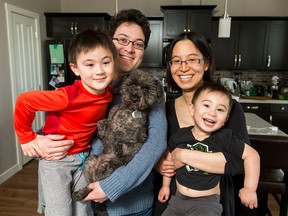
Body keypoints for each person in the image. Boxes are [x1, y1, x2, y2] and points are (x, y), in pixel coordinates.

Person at [27, 9, 168, 216]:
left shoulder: (147, 87)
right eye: (122, 40)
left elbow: (155, 144)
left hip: (129, 206)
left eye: (138, 44)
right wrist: (36, 140)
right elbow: (68, 123)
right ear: (110, 42)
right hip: (85, 200)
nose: (130, 48)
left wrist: (111, 187)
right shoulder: (90, 82)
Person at [13, 28, 117, 216]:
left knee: (83, 210)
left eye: (106, 62)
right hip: (57, 161)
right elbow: (24, 101)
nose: (100, 71)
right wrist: (27, 138)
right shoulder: (66, 97)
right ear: (75, 68)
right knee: (59, 212)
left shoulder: (108, 94)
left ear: (113, 62)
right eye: (90, 65)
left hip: (84, 158)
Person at [153, 31, 253, 216]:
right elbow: (156, 152)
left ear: (206, 64)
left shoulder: (230, 109)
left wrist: (183, 155)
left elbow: (240, 162)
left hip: (212, 202)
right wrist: (157, 163)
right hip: (171, 199)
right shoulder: (163, 110)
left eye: (192, 59)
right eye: (176, 60)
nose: (183, 68)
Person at [158, 82, 260, 216]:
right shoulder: (180, 136)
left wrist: (249, 189)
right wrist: (165, 186)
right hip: (177, 199)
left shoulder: (225, 138)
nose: (212, 113)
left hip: (206, 203)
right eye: (206, 105)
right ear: (192, 109)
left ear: (226, 119)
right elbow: (171, 159)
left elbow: (252, 156)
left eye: (220, 110)